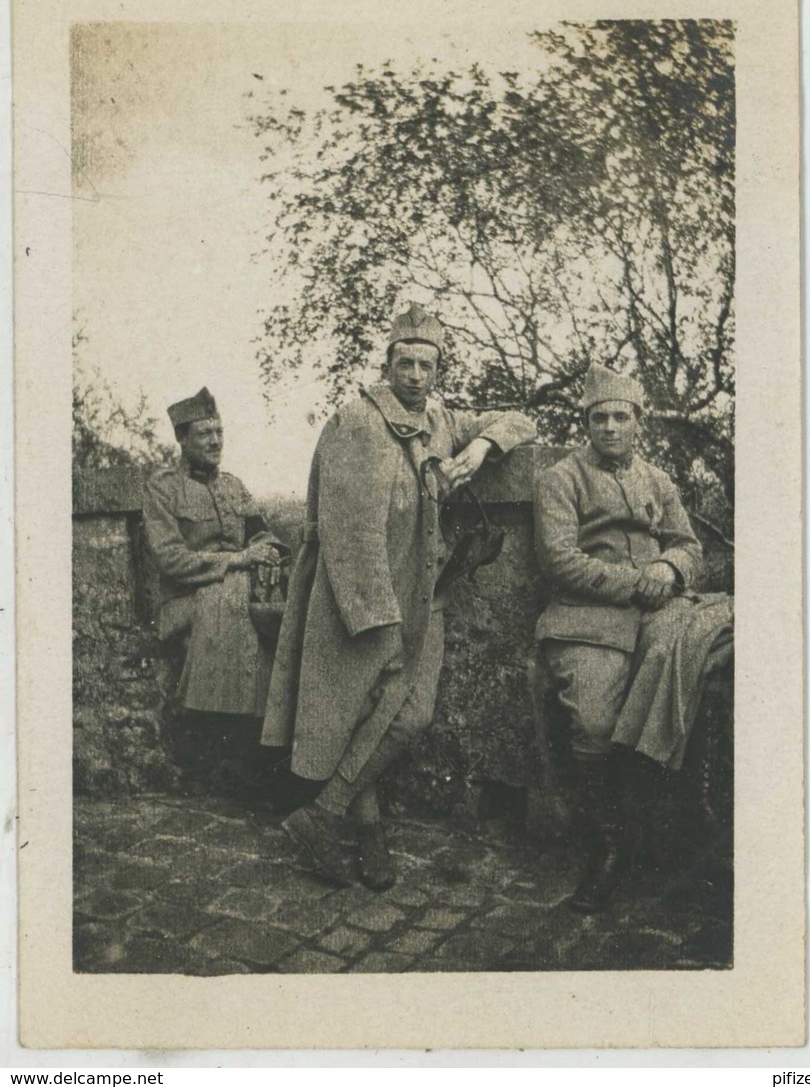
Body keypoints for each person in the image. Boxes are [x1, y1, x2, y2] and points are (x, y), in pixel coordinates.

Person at [260, 304, 536, 890]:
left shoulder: (439, 420)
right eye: (404, 362)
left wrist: (482, 448)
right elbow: (348, 530)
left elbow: (520, 420)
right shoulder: (357, 422)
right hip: (372, 600)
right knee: (367, 710)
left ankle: (324, 813)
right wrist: (375, 617)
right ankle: (368, 830)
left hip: (426, 594)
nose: (414, 374)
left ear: (439, 369)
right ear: (387, 363)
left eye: (426, 364)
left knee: (411, 716)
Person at [533, 364, 733, 914]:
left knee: (695, 674)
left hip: (659, 611)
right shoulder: (560, 479)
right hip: (586, 619)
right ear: (586, 423)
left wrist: (668, 569)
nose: (611, 427)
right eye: (600, 418)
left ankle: (670, 835)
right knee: (596, 724)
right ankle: (607, 845)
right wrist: (635, 584)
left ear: (638, 422)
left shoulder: (657, 479)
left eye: (621, 417)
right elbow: (559, 562)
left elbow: (689, 545)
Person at [144, 387, 288, 733]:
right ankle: (233, 734)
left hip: (233, 594)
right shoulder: (163, 488)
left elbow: (261, 534)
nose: (215, 441)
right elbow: (170, 559)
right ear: (182, 438)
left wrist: (267, 557)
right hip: (182, 602)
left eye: (219, 431)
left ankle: (273, 732)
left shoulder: (233, 486)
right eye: (205, 433)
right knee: (235, 597)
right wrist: (239, 560)